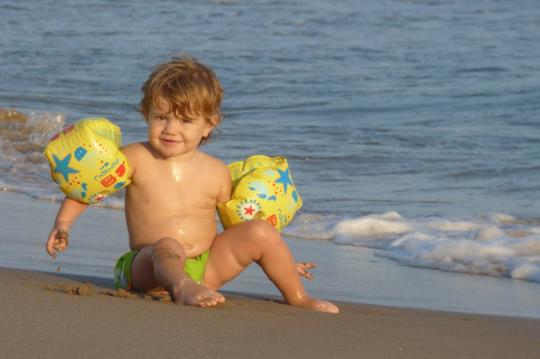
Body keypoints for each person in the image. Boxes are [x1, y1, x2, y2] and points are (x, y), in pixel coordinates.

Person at [45, 56, 339, 314]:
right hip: (146, 267)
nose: (171, 129)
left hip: (204, 269)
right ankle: (181, 287)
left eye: (185, 121)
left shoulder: (216, 172)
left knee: (260, 231)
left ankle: (298, 297)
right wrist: (64, 223)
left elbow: (237, 226)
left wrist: (283, 262)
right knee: (168, 245)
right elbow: (89, 187)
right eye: (161, 117)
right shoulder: (135, 157)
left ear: (209, 124)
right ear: (146, 113)